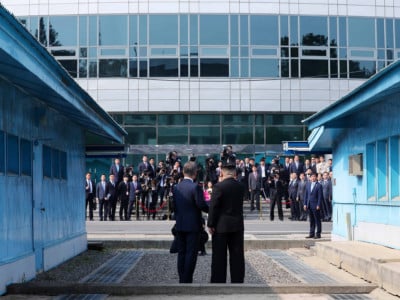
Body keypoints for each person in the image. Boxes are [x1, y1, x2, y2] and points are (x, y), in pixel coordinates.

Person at [207, 162, 245, 283]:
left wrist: (210, 224)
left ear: (222, 172)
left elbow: (213, 207)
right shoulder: (240, 186)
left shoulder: (218, 187)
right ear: (235, 173)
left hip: (220, 226)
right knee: (237, 256)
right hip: (237, 225)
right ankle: (237, 280)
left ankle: (218, 281)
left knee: (219, 256)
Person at [173, 162, 209, 283]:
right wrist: (213, 208)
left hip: (180, 224)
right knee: (191, 253)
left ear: (183, 172)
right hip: (193, 225)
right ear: (195, 174)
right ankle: (187, 279)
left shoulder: (176, 187)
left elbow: (174, 207)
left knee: (181, 252)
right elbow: (201, 205)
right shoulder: (195, 187)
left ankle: (181, 278)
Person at [304, 173, 323, 239]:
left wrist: (318, 204)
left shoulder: (319, 185)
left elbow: (320, 196)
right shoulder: (308, 184)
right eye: (312, 176)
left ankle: (318, 234)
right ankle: (311, 233)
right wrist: (305, 204)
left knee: (317, 220)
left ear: (316, 177)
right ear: (310, 178)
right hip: (309, 205)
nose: (313, 178)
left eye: (314, 176)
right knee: (311, 220)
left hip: (315, 205)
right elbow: (306, 195)